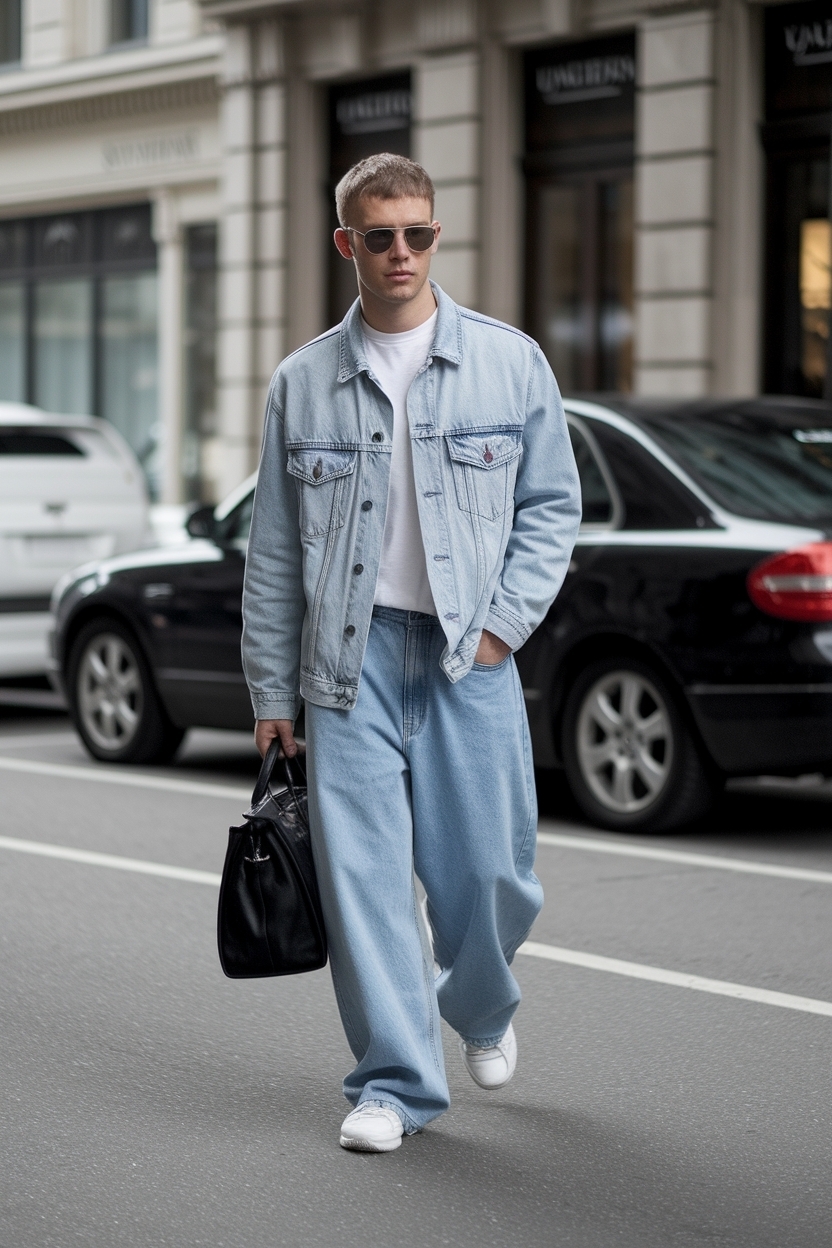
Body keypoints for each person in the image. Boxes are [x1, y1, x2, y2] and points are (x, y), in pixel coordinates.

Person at [241, 153, 581, 1153]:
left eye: (418, 234)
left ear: (437, 236)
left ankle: (480, 1004)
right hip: (346, 670)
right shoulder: (301, 381)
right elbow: (273, 551)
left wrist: (497, 626)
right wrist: (272, 689)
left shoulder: (508, 362)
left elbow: (551, 509)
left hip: (465, 659)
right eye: (379, 236)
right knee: (365, 885)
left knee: (488, 876)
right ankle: (393, 1083)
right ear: (346, 243)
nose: (400, 254)